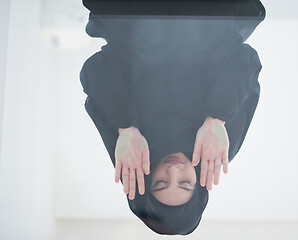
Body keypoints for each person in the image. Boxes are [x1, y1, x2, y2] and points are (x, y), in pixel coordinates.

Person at [80, 0, 266, 235]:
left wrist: (126, 127)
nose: (174, 171)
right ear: (199, 185)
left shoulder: (130, 143)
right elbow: (245, 59)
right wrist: (217, 118)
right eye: (186, 183)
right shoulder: (216, 148)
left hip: (136, 12)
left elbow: (95, 68)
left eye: (160, 183)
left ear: (145, 182)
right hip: (207, 14)